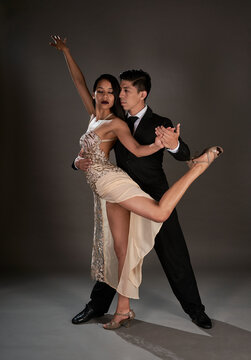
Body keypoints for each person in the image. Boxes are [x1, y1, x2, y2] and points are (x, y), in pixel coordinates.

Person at [50, 35, 223, 330]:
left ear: (143, 94)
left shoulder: (160, 120)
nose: (118, 94)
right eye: (117, 90)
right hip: (121, 191)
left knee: (175, 256)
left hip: (154, 192)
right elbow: (92, 137)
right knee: (115, 251)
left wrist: (171, 144)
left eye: (125, 90)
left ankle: (195, 310)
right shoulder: (113, 117)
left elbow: (182, 153)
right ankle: (99, 306)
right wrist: (66, 52)